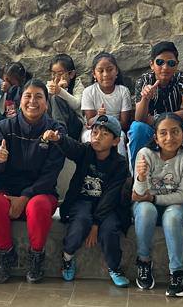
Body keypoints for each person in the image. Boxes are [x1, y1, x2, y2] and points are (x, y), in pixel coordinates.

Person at [0, 79, 65, 283]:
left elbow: (51, 173)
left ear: (46, 103)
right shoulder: (5, 127)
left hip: (41, 192)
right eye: (27, 96)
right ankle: (5, 254)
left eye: (39, 97)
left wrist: (25, 197)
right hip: (7, 190)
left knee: (38, 206)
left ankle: (36, 256)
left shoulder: (55, 130)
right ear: (20, 101)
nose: (32, 101)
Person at [44, 113, 130, 286]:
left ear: (115, 141)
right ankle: (67, 257)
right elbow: (72, 147)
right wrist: (58, 139)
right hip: (81, 202)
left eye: (104, 134)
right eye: (95, 132)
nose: (97, 137)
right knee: (81, 221)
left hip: (108, 207)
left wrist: (96, 224)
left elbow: (111, 196)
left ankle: (114, 267)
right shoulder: (85, 151)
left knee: (110, 229)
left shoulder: (120, 164)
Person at [131, 112, 183, 296]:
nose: (169, 138)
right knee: (145, 210)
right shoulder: (145, 154)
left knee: (172, 217)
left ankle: (177, 272)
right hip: (146, 205)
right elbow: (139, 195)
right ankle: (143, 261)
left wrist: (154, 198)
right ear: (156, 138)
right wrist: (141, 177)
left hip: (175, 205)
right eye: (163, 133)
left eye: (175, 132)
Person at [128, 40, 183, 164]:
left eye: (171, 63)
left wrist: (160, 119)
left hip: (174, 126)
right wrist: (145, 98)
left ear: (176, 65)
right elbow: (139, 118)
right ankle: (138, 171)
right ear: (152, 64)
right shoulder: (144, 81)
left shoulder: (181, 78)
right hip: (151, 129)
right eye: (160, 62)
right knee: (137, 127)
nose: (165, 67)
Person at [80, 51, 134, 150]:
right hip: (94, 129)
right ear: (94, 74)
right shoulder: (88, 92)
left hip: (115, 128)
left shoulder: (123, 91)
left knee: (120, 137)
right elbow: (90, 121)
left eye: (110, 70)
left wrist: (108, 124)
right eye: (101, 71)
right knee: (89, 137)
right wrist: (98, 116)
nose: (105, 74)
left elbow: (124, 123)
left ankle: (119, 160)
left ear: (116, 71)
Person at [46, 53, 85, 139]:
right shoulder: (49, 85)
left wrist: (60, 91)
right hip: (51, 124)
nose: (56, 77)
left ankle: (60, 133)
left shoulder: (77, 85)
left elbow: (76, 104)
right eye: (53, 73)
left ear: (71, 74)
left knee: (56, 98)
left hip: (74, 125)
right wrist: (52, 92)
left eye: (60, 74)